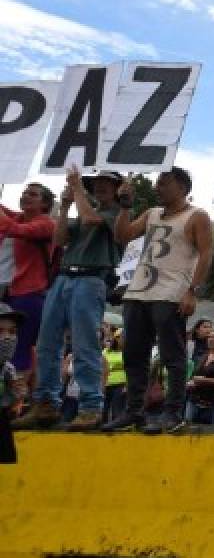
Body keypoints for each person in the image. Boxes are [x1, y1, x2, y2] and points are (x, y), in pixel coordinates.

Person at [13, 169, 123, 431]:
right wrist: (63, 208)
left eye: (107, 183)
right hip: (64, 277)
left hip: (91, 279)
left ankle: (90, 406)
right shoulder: (84, 211)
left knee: (85, 345)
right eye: (96, 183)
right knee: (47, 344)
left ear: (118, 189)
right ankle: (46, 404)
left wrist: (76, 189)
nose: (100, 187)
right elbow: (59, 239)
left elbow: (91, 219)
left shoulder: (117, 214)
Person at [105, 167, 213, 434]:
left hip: (171, 292)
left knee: (172, 356)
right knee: (134, 355)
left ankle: (173, 412)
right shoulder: (152, 213)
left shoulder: (197, 216)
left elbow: (206, 253)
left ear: (182, 187)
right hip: (138, 291)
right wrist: (125, 207)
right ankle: (134, 412)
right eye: (157, 183)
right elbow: (123, 235)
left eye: (164, 183)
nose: (157, 187)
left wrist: (192, 290)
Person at [0, 182, 57, 408]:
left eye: (33, 194)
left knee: (19, 346)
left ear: (44, 204)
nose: (25, 196)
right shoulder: (21, 217)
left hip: (32, 293)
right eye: (24, 193)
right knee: (15, 346)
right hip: (16, 291)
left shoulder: (46, 223)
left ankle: (17, 405)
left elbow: (14, 230)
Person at [0, 303, 24, 464]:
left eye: (13, 332)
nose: (7, 337)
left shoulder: (8, 369)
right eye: (0, 331)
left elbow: (14, 401)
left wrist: (17, 398)